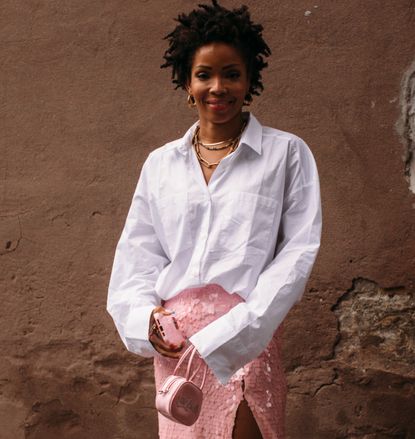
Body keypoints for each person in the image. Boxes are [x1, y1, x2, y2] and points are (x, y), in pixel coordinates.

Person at [107, 1, 322, 438]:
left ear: (250, 80)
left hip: (244, 341)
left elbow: (297, 255)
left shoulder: (286, 155)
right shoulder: (160, 165)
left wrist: (235, 332)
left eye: (232, 73)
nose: (218, 87)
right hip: (175, 349)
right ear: (187, 82)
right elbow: (137, 258)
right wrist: (146, 323)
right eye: (205, 74)